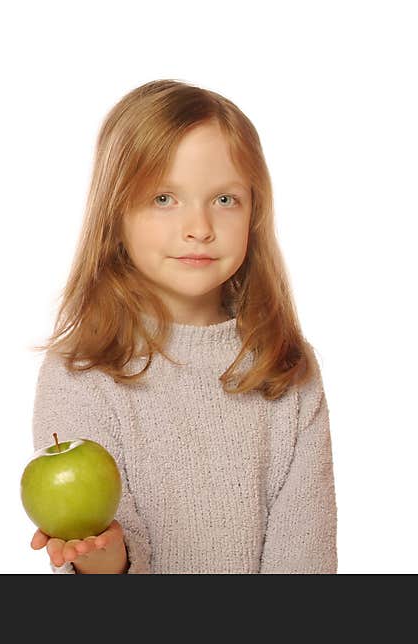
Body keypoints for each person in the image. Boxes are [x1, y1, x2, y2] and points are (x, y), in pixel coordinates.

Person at [28, 79, 337, 574]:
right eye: (165, 198)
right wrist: (104, 556)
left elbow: (305, 556)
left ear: (255, 211)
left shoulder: (286, 368)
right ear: (116, 214)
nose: (199, 227)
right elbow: (111, 559)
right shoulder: (80, 373)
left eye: (225, 200)